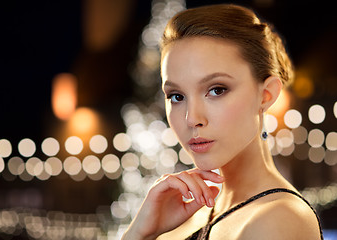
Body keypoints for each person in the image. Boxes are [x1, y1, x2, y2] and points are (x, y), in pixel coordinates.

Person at [122, 4, 323, 240]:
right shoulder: (185, 214)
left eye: (217, 90)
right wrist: (139, 232)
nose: (192, 119)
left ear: (266, 95)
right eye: (177, 97)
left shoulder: (279, 220)